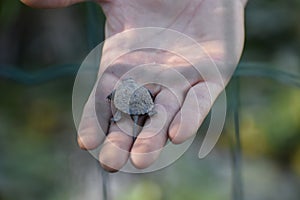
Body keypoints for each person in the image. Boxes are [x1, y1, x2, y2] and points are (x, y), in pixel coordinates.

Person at [21, 0, 247, 172]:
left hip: (135, 98)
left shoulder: (123, 94)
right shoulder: (122, 93)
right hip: (135, 97)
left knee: (128, 120)